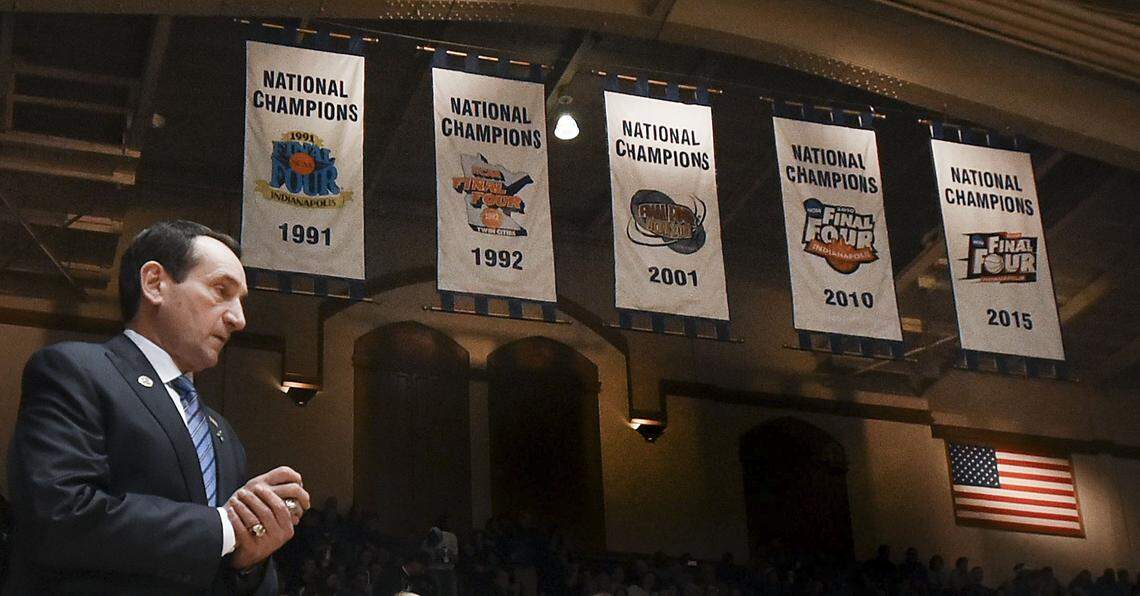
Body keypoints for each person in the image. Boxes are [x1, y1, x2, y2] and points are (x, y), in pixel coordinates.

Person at [4, 220, 311, 595]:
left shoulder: (222, 432)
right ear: (154, 283)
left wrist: (250, 557)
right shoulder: (75, 370)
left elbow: (221, 566)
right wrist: (225, 527)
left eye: (241, 301)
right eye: (221, 290)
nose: (239, 319)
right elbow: (58, 516)